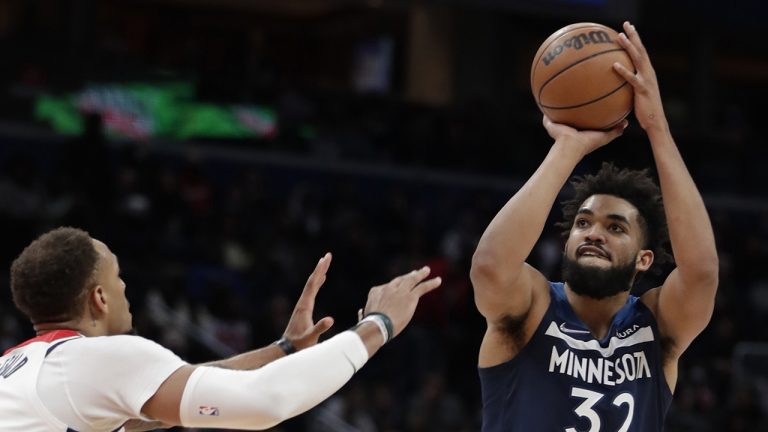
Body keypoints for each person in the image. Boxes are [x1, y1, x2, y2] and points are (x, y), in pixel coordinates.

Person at [471, 21, 718, 431]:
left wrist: (657, 127)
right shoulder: (531, 309)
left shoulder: (657, 329)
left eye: (616, 227)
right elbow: (489, 267)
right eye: (583, 223)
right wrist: (567, 149)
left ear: (644, 259)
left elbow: (702, 273)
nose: (593, 232)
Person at [0, 227, 441, 431]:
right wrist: (378, 325)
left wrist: (283, 349)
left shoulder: (18, 370)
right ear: (99, 298)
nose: (125, 286)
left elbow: (173, 399)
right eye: (117, 278)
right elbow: (267, 403)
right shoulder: (98, 359)